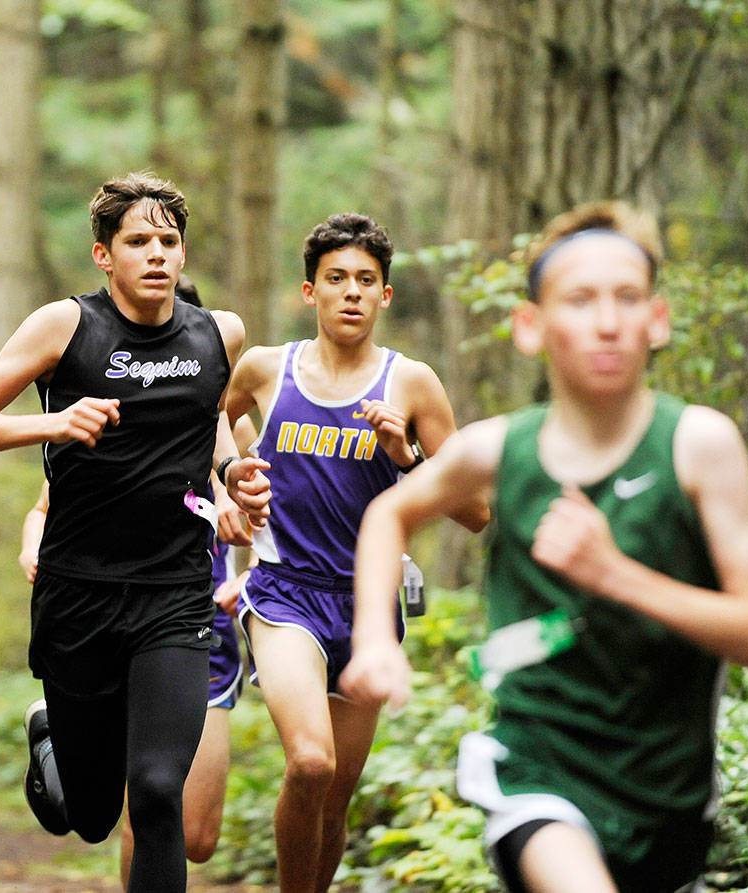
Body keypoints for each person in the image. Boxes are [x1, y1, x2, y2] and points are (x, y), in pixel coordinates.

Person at [342, 201, 748, 893]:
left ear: (657, 319)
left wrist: (613, 573)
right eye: (579, 300)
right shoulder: (499, 448)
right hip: (536, 776)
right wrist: (374, 639)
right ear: (531, 326)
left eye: (627, 298)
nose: (607, 321)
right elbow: (388, 512)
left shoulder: (701, 446)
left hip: (669, 798)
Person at [0, 172, 270, 892]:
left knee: (155, 791)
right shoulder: (66, 326)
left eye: (170, 241)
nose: (156, 254)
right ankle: (53, 736)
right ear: (103, 254)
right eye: (138, 241)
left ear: (184, 255)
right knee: (88, 813)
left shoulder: (220, 333)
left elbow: (211, 417)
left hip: (173, 593)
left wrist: (238, 473)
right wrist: (51, 421)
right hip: (78, 592)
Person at [223, 213, 489, 893]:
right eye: (336, 278)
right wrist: (229, 475)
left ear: (385, 296)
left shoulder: (412, 384)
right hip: (283, 592)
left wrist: (410, 455)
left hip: (368, 605)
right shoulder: (265, 370)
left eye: (366, 281)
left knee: (334, 796)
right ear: (309, 292)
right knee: (309, 764)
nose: (351, 292)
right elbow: (203, 423)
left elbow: (477, 512)